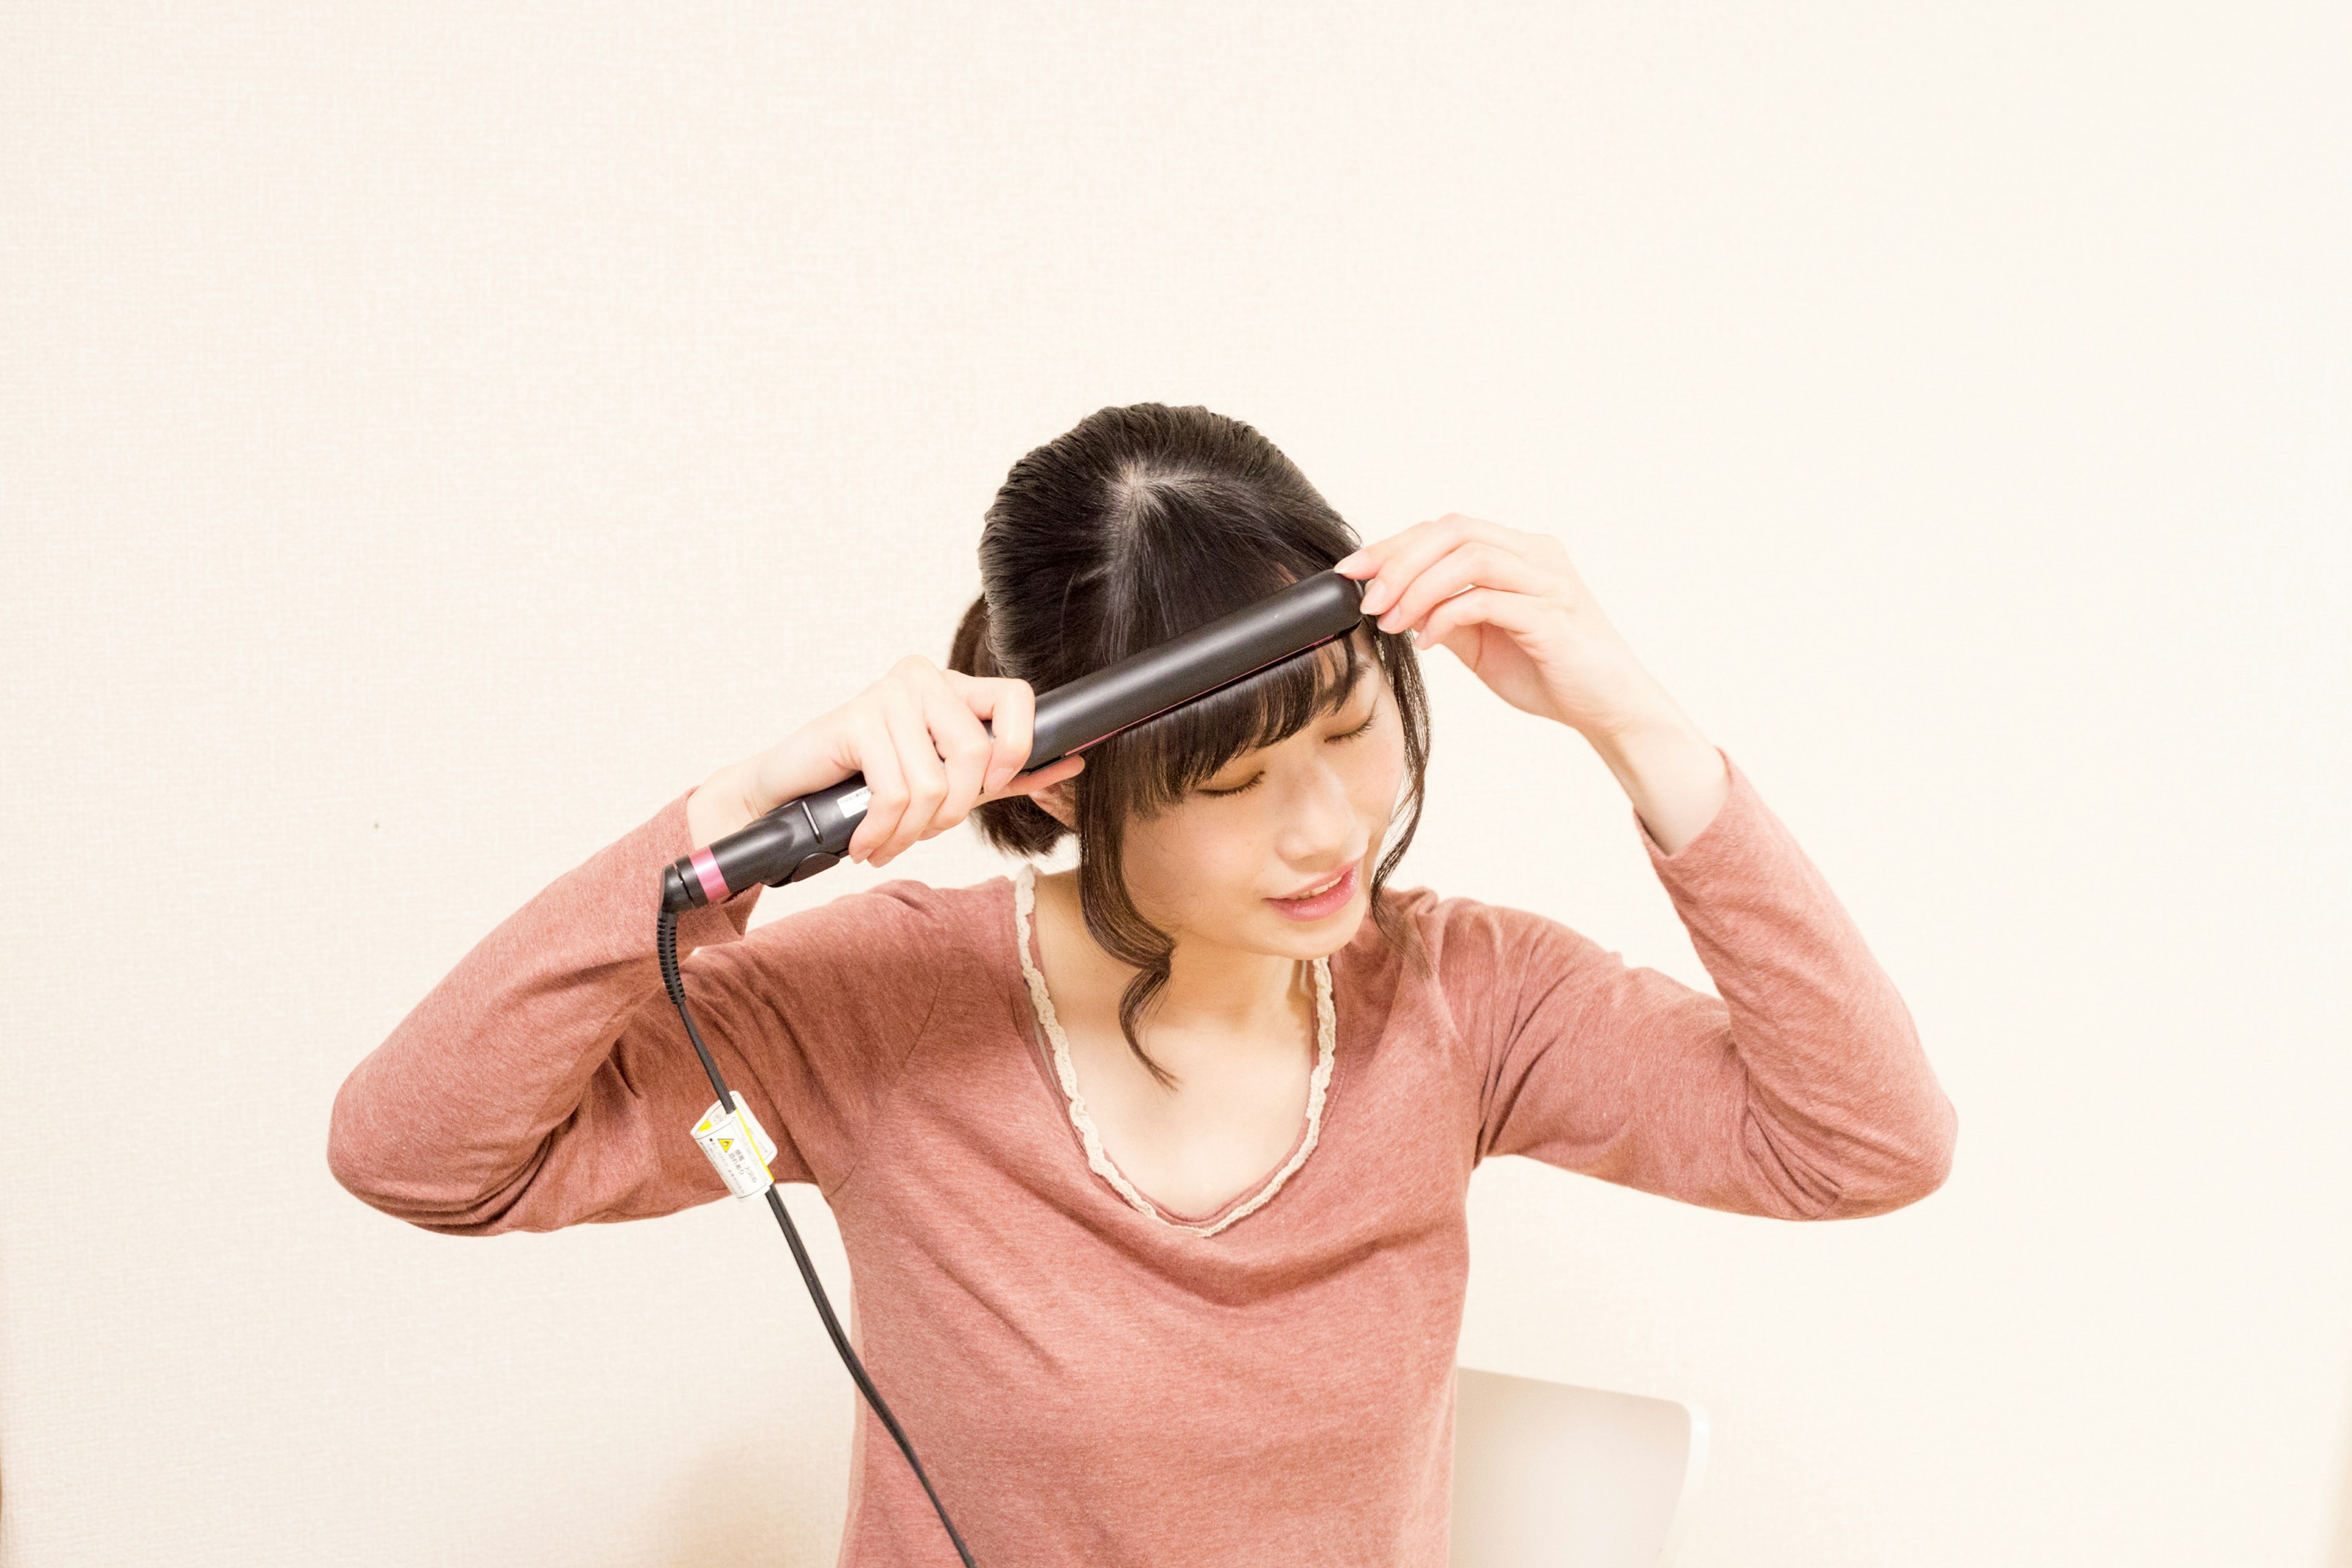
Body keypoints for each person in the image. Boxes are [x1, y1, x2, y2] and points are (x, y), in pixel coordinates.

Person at [326, 402, 1958, 1567]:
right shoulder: (881, 1016)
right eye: (1234, 786)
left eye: (1349, 731)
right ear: (1057, 789)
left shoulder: (1470, 1000)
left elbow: (1866, 1143)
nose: (1329, 828)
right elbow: (421, 1154)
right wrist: (728, 816)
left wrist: (1634, 720)